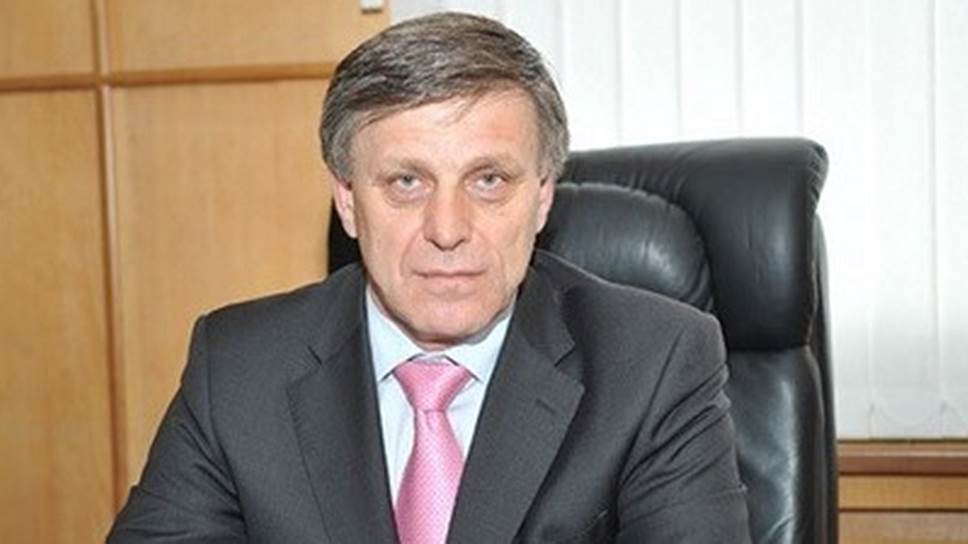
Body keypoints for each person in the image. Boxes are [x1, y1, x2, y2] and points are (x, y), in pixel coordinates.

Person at [108, 12, 750, 543]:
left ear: (543, 196)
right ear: (348, 200)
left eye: (489, 180)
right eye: (406, 181)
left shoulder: (654, 363)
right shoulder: (240, 367)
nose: (448, 228)